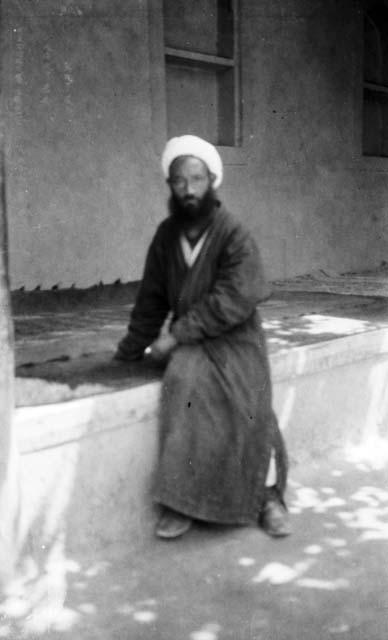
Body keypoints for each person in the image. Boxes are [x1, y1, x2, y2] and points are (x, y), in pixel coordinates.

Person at [115, 134, 290, 540]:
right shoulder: (165, 236)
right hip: (192, 343)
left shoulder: (234, 234)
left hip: (236, 338)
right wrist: (128, 351)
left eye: (196, 179)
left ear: (212, 181)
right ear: (170, 186)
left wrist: (176, 336)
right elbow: (151, 298)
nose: (189, 190)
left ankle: (265, 497)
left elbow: (237, 296)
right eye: (179, 181)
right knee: (183, 382)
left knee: (249, 399)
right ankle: (182, 503)